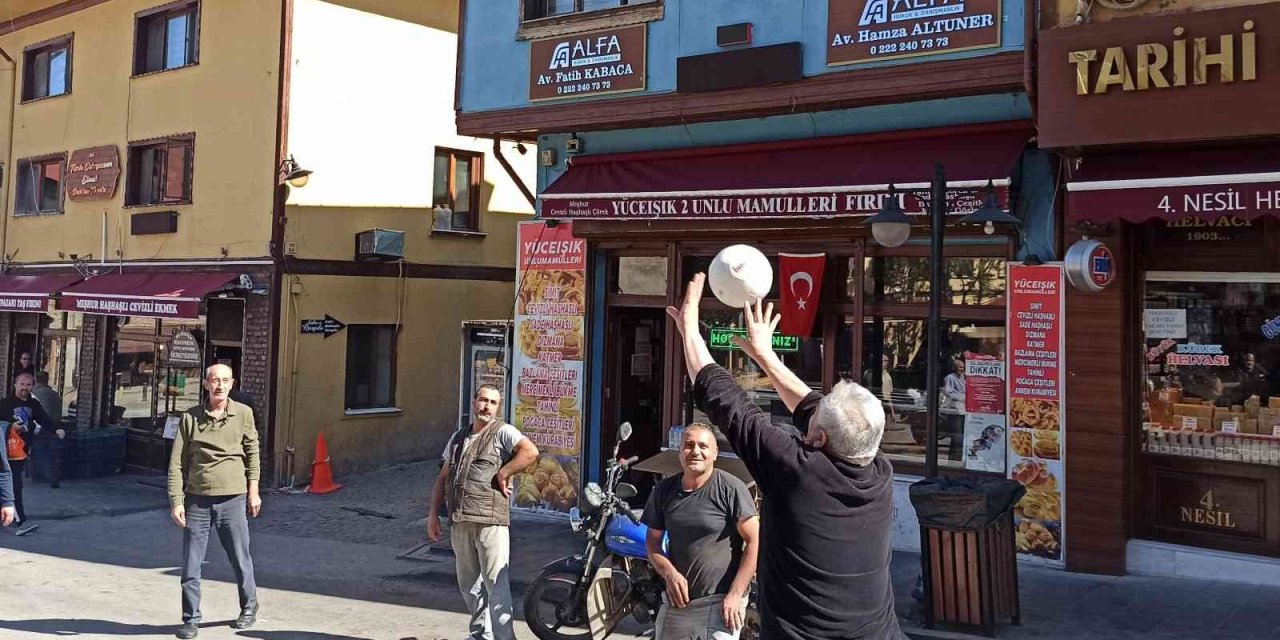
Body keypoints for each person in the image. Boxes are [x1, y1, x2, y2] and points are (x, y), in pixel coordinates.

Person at [667, 273, 906, 640]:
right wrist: (765, 356)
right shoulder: (878, 471)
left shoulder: (798, 473)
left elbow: (721, 396)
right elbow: (814, 409)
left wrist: (690, 331)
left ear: (820, 437)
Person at [428, 384, 539, 640]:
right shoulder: (457, 437)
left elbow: (530, 452)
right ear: (474, 402)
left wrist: (504, 472)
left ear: (497, 407)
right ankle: (480, 634)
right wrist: (433, 515)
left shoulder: (503, 432)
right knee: (469, 585)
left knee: (496, 585)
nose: (486, 406)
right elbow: (442, 478)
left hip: (491, 522)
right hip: (460, 520)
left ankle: (504, 637)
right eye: (482, 400)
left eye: (492, 402)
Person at [167, 364, 261, 639]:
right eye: (215, 380)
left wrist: (253, 491)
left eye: (225, 380)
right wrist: (177, 500)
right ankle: (190, 619)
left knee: (240, 558)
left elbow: (252, 453)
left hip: (233, 499)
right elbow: (176, 464)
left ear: (232, 384)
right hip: (197, 501)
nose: (220, 385)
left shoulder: (243, 414)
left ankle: (249, 607)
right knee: (191, 564)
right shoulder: (190, 418)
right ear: (206, 384)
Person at [643, 423, 760, 640]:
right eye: (688, 445)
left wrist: (735, 594)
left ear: (714, 453)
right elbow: (652, 540)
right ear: (680, 452)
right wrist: (669, 573)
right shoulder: (664, 490)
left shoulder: (731, 489)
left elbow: (755, 541)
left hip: (721, 603)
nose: (695, 451)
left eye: (703, 446)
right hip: (677, 602)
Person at [0, 372, 62, 535]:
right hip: (4, 450)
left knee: (13, 485)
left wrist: (56, 428)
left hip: (20, 451)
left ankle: (12, 518)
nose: (24, 388)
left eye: (28, 385)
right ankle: (19, 520)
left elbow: (43, 418)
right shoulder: (5, 403)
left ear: (32, 387)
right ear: (15, 385)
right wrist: (11, 428)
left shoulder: (33, 404)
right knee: (13, 485)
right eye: (22, 385)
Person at [31, 371, 65, 488]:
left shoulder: (33, 393)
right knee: (50, 452)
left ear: (36, 380)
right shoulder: (54, 394)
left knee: (39, 452)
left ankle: (44, 476)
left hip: (39, 427)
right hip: (53, 427)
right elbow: (58, 411)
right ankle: (53, 476)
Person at [942, 357, 967, 461]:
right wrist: (962, 398)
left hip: (963, 410)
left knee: (961, 436)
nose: (961, 369)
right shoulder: (950, 378)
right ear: (955, 367)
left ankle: (958, 457)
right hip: (955, 409)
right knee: (956, 437)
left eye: (963, 367)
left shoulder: (962, 378)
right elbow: (948, 392)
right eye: (959, 367)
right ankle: (953, 459)